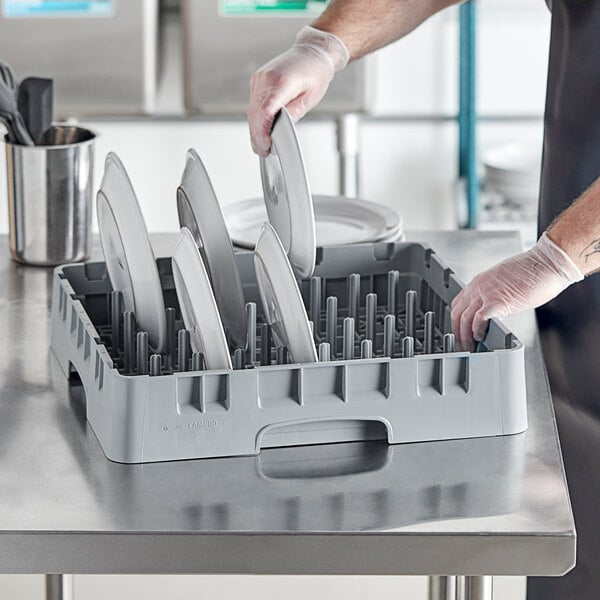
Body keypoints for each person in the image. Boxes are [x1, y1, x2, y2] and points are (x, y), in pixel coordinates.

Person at [247, 1, 600, 598]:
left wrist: (564, 254)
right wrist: (323, 46)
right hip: (574, 306)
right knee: (574, 547)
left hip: (576, 254)